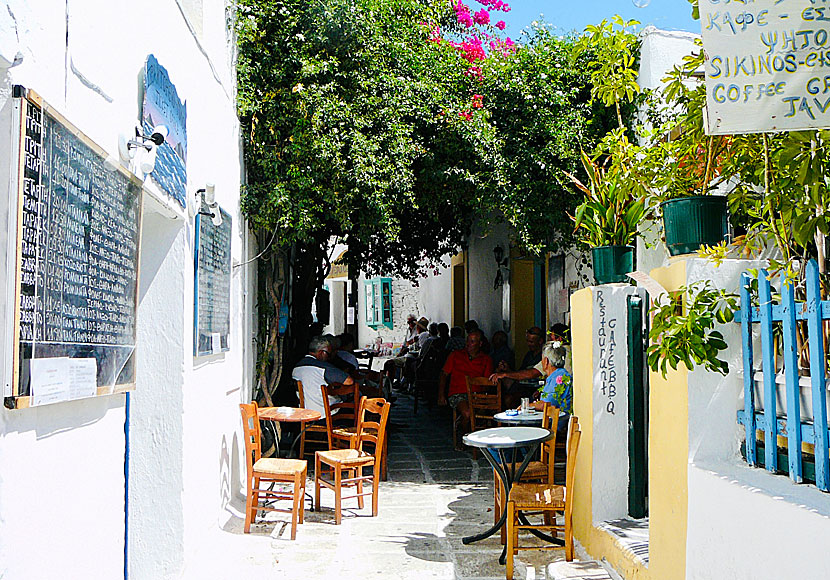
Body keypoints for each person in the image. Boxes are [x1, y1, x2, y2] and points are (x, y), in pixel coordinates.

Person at [437, 329, 494, 447]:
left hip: (477, 395)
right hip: (458, 393)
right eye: (468, 341)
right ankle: (465, 437)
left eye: (472, 342)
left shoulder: (486, 359)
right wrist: (441, 394)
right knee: (467, 413)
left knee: (486, 412)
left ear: (480, 344)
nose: (468, 344)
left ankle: (477, 434)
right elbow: (444, 374)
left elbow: (488, 381)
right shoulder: (455, 355)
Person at [291, 335, 354, 416]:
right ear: (321, 352)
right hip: (328, 414)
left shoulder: (296, 368)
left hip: (306, 414)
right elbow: (349, 381)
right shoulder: (323, 367)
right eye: (328, 354)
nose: (329, 357)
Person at [490, 326, 546, 407]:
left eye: (531, 342)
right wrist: (507, 370)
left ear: (540, 341)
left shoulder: (544, 356)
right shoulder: (529, 355)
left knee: (509, 399)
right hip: (524, 388)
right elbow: (521, 373)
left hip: (536, 390)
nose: (528, 344)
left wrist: (506, 374)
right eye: (527, 341)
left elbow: (531, 373)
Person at [530, 342, 572, 436]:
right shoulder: (557, 375)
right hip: (551, 422)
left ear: (546, 361)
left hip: (554, 426)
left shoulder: (559, 378)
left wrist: (527, 406)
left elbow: (546, 405)